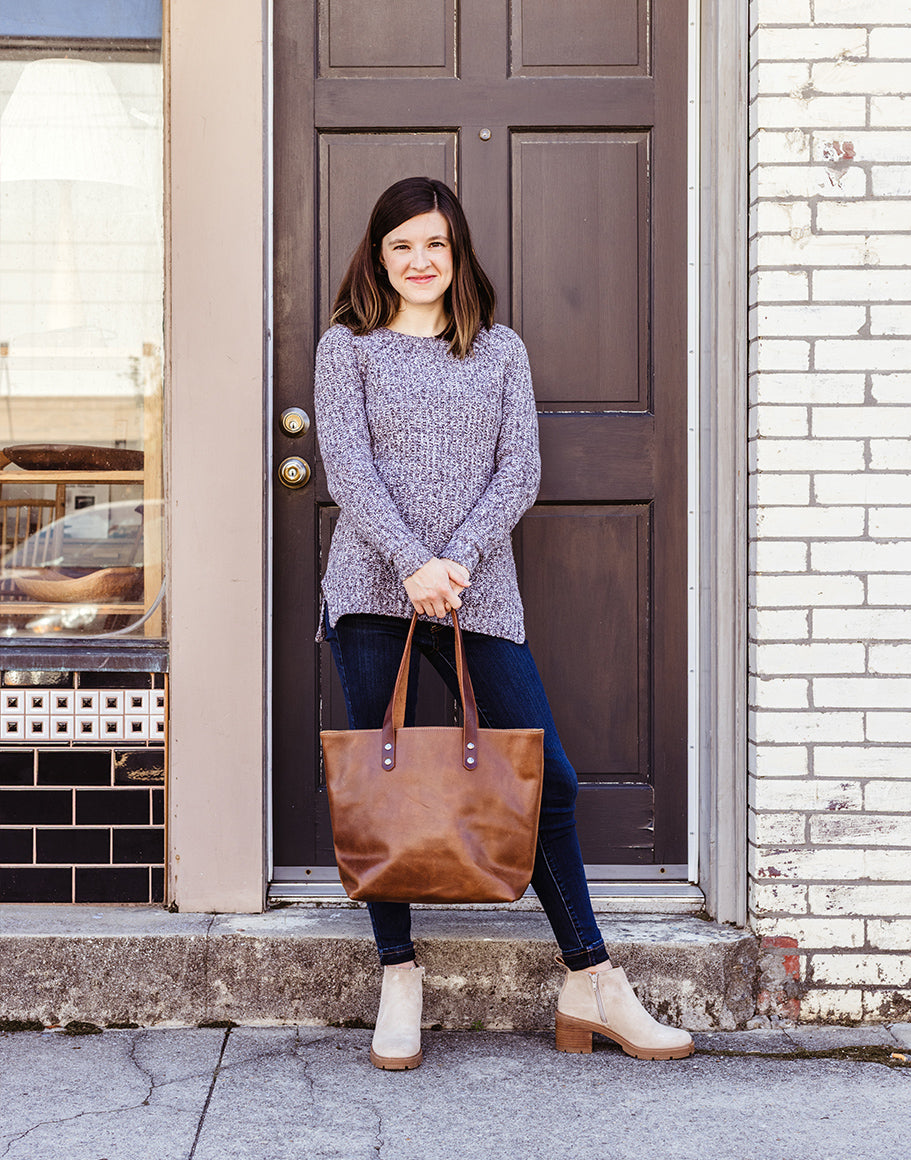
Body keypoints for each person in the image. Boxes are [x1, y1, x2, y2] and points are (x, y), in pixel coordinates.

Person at [314, 176, 693, 1071]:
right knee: (386, 790)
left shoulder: (499, 350)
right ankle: (399, 977)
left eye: (435, 246)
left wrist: (455, 564)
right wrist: (412, 564)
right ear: (377, 254)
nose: (418, 261)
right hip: (372, 597)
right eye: (401, 245)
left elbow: (518, 471)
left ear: (458, 255)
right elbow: (348, 468)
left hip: (479, 597)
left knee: (547, 782)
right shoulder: (348, 349)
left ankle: (592, 980)